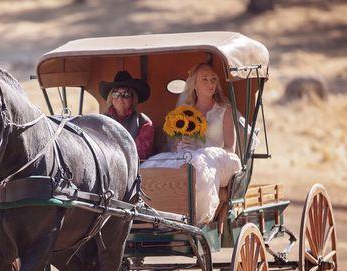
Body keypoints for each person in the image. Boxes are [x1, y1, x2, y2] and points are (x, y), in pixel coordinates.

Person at [142, 63, 242, 225]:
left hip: (220, 159)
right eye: (205, 80)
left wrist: (204, 151)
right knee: (153, 164)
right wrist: (179, 145)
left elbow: (230, 147)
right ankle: (159, 214)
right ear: (194, 85)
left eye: (213, 80)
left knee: (199, 166)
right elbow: (174, 143)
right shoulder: (185, 111)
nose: (210, 84)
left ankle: (198, 218)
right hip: (190, 156)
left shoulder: (225, 110)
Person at [99, 71, 154, 159]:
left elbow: (140, 154)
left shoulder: (144, 122)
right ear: (111, 98)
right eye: (115, 94)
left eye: (126, 94)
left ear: (133, 99)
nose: (120, 98)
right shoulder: (100, 120)